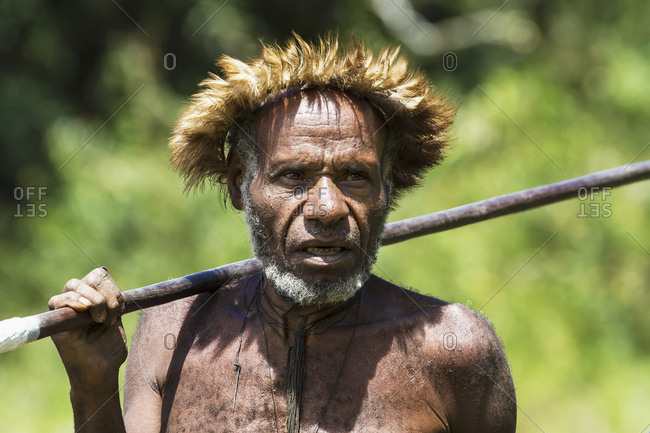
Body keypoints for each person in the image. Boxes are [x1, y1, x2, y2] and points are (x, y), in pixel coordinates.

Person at [49, 34, 516, 432]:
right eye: (293, 176)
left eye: (355, 176)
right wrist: (92, 387)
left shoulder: (456, 352)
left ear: (387, 187)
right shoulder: (173, 331)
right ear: (239, 185)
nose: (329, 208)